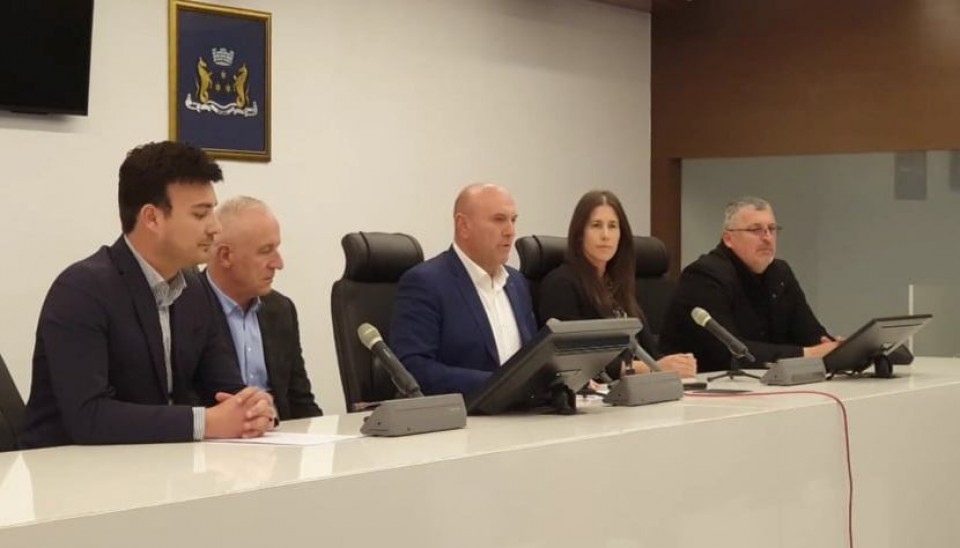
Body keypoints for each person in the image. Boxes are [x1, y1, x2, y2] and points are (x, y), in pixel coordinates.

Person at [19, 141, 275, 449]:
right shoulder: (81, 291)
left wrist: (254, 408)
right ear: (152, 218)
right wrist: (205, 422)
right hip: (67, 469)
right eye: (200, 214)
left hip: (160, 463)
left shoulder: (194, 290)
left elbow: (225, 388)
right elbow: (89, 416)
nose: (215, 228)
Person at [390, 183, 538, 396]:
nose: (510, 232)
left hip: (525, 412)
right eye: (499, 220)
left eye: (513, 220)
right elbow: (413, 369)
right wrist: (500, 384)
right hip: (462, 413)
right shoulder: (426, 282)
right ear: (463, 226)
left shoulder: (517, 283)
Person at [659, 196, 839, 371]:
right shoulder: (704, 275)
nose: (767, 238)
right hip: (704, 383)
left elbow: (811, 333)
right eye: (756, 230)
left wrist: (837, 349)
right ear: (728, 239)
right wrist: (808, 354)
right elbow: (728, 353)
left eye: (771, 229)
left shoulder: (780, 273)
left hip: (763, 382)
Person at [538, 190, 697, 378]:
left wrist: (677, 363)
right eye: (596, 226)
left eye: (612, 226)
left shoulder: (616, 285)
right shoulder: (561, 283)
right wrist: (652, 368)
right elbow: (573, 359)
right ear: (580, 234)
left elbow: (649, 352)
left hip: (635, 389)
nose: (605, 235)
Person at [202, 196, 322, 420]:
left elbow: (300, 401)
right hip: (215, 438)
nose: (278, 263)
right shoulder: (187, 307)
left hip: (278, 434)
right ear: (225, 256)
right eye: (266, 251)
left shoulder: (281, 309)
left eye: (277, 249)